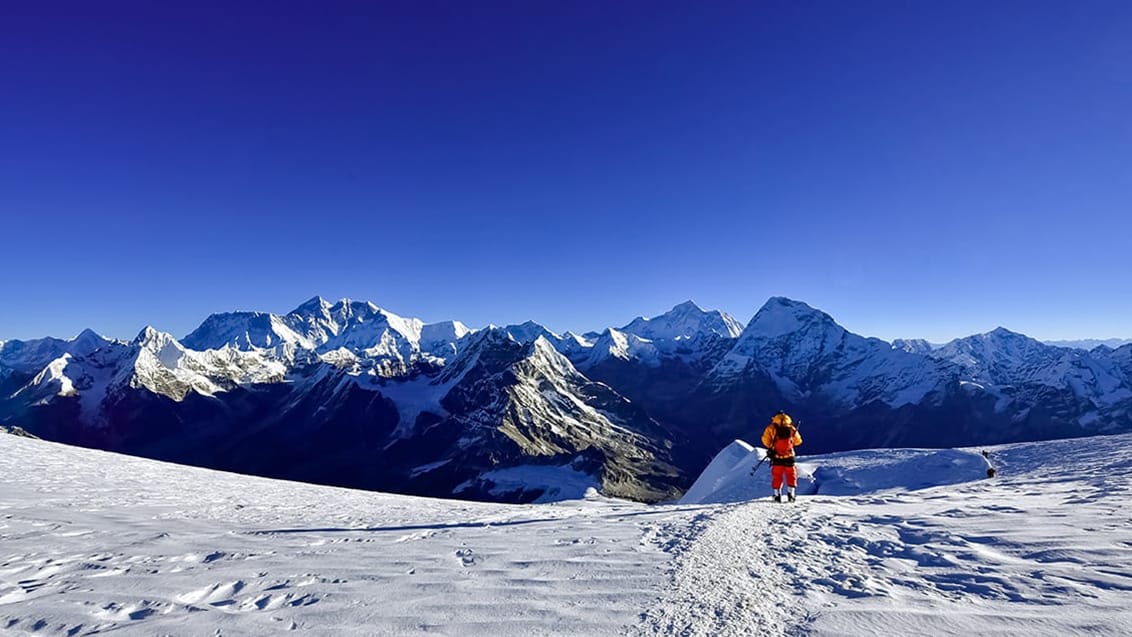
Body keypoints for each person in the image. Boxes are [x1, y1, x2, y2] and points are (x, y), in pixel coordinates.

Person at [761, 411, 802, 503]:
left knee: (777, 476)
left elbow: (765, 441)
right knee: (791, 475)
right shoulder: (791, 428)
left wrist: (773, 446)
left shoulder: (771, 428)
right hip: (789, 456)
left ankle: (777, 495)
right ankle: (791, 494)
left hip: (776, 456)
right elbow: (798, 441)